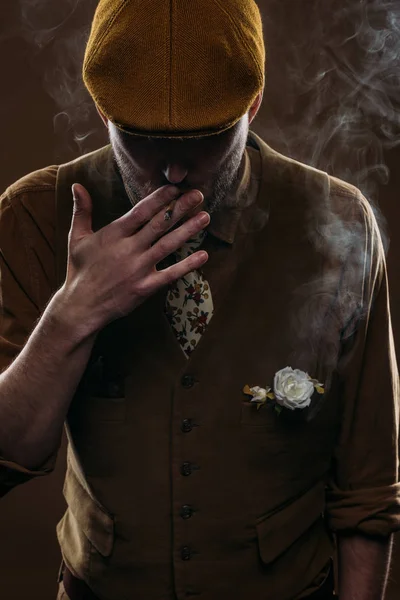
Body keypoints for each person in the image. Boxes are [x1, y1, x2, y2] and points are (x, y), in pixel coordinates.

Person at [0, 0, 399, 599]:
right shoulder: (35, 215)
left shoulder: (337, 221)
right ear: (102, 110)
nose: (174, 172)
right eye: (141, 142)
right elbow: (9, 452)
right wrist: (73, 315)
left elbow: (369, 488)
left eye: (206, 141)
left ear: (253, 105)